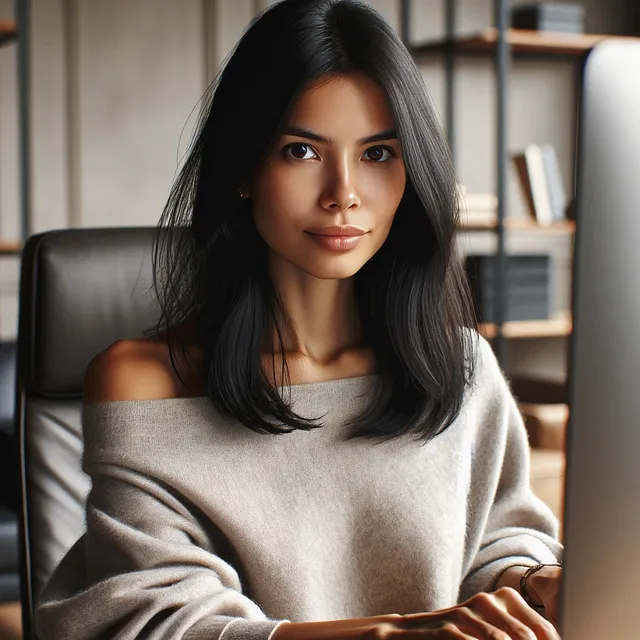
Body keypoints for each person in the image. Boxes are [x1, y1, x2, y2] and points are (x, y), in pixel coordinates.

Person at [35, 1, 564, 638]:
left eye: (377, 154)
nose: (343, 191)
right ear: (243, 170)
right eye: (301, 150)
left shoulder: (458, 365)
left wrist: (536, 583)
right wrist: (385, 634)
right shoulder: (146, 384)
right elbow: (160, 620)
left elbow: (496, 542)